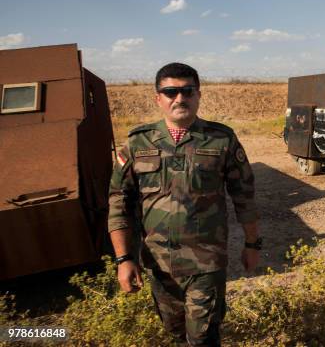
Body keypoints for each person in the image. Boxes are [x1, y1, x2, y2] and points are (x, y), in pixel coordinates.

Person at [107, 62, 261, 346]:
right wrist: (123, 258)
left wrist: (252, 244)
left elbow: (245, 196)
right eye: (170, 91)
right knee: (175, 333)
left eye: (187, 91)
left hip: (206, 262)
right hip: (159, 263)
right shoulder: (138, 143)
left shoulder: (221, 140)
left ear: (198, 95)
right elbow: (119, 201)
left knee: (202, 337)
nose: (180, 98)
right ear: (158, 98)